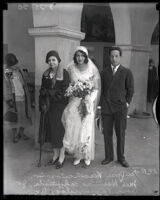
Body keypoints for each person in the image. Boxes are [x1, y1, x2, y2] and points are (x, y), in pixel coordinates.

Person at [62, 46, 101, 167]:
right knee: (76, 129)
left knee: (86, 129)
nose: (80, 58)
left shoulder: (92, 69)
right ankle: (78, 155)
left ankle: (86, 155)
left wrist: (89, 99)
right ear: (75, 56)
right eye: (77, 55)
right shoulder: (70, 68)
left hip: (87, 103)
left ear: (85, 56)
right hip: (75, 102)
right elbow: (68, 85)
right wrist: (73, 92)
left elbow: (96, 88)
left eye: (82, 55)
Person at [100, 46, 134, 168]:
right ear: (109, 57)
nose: (114, 59)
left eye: (116, 56)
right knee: (107, 134)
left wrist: (127, 103)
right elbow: (101, 90)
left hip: (120, 108)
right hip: (107, 108)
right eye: (112, 56)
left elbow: (130, 90)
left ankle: (121, 158)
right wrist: (101, 106)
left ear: (120, 57)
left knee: (120, 133)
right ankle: (109, 157)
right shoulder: (104, 72)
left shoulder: (126, 72)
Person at [38, 50, 69, 169]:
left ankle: (62, 156)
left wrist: (49, 93)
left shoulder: (64, 73)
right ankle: (55, 155)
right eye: (49, 60)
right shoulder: (46, 73)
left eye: (53, 60)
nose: (51, 62)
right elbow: (42, 89)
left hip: (60, 106)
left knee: (59, 132)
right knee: (52, 131)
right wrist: (42, 100)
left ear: (58, 60)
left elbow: (65, 91)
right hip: (49, 107)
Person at [4, 53, 32, 143]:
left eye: (16, 64)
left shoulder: (19, 70)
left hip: (23, 97)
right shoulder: (6, 72)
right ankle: (15, 135)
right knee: (14, 117)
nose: (15, 66)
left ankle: (21, 133)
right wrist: (9, 100)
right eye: (13, 65)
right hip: (14, 99)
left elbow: (24, 83)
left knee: (24, 117)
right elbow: (6, 87)